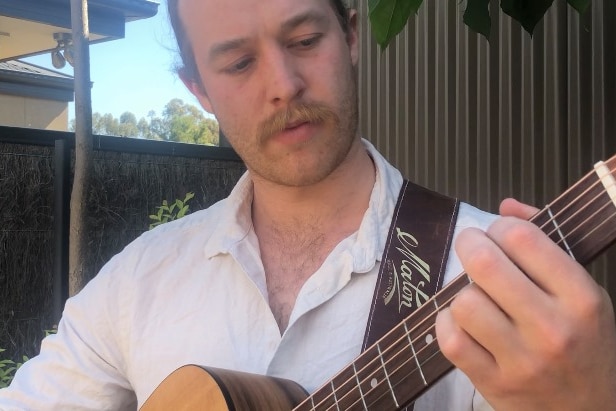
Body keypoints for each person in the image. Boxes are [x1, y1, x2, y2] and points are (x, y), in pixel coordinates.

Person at [1, 0, 615, 409]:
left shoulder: (497, 280)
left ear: (350, 35)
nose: (283, 85)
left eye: (304, 39)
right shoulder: (137, 282)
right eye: (239, 63)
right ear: (199, 91)